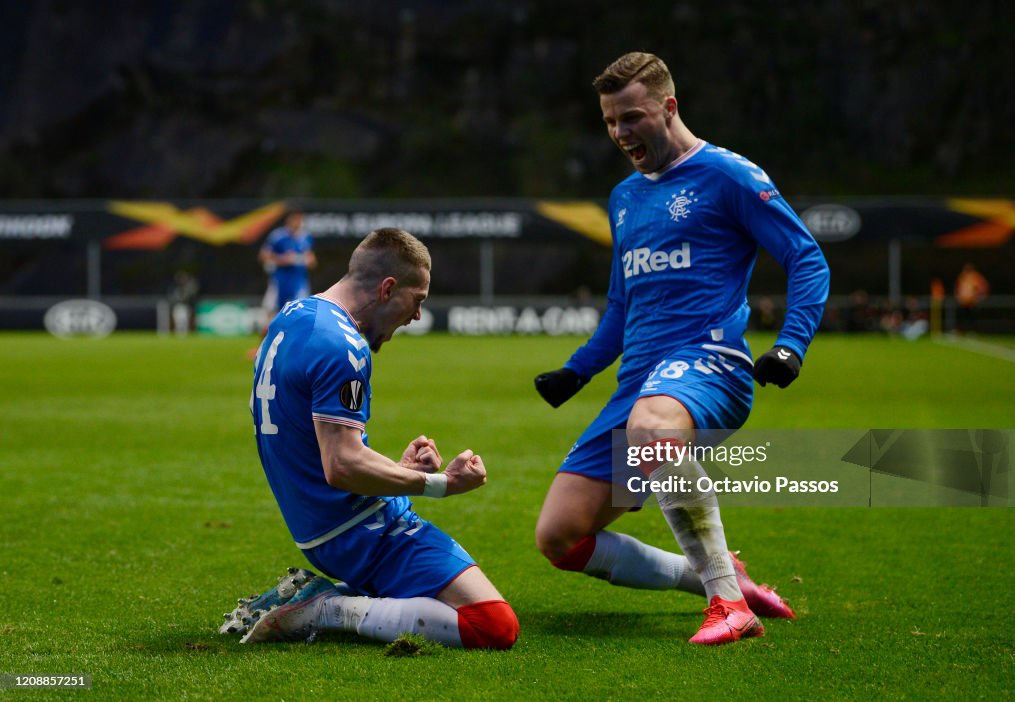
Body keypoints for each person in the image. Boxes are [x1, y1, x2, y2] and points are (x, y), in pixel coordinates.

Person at [533, 52, 830, 645]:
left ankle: (727, 606)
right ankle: (719, 578)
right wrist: (578, 370)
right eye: (610, 122)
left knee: (651, 427)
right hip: (638, 385)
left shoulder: (730, 175)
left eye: (632, 117)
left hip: (710, 364)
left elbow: (806, 257)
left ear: (669, 107)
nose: (620, 133)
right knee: (561, 537)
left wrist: (791, 344)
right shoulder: (622, 198)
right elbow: (622, 305)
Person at [222, 228, 518, 650]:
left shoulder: (292, 318)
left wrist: (396, 471)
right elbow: (341, 466)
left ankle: (329, 598)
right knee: (492, 625)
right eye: (417, 301)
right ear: (387, 288)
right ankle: (324, 607)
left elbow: (313, 442)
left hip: (321, 526)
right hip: (363, 530)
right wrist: (442, 485)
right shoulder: (342, 347)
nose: (416, 316)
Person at [260, 210, 318, 317]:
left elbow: (312, 260)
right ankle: (269, 329)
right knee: (272, 307)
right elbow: (264, 255)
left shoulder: (305, 237)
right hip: (280, 278)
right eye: (295, 219)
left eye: (299, 219)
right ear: (288, 220)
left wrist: (306, 261)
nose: (297, 222)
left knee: (301, 307)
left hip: (298, 279)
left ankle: (298, 331)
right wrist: (283, 260)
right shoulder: (278, 236)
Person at [954, 263, 989, 334]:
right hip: (963, 301)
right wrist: (958, 296)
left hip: (972, 301)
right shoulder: (962, 277)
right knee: (961, 316)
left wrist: (980, 297)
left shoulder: (976, 277)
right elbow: (958, 287)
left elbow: (982, 287)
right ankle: (960, 330)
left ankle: (972, 331)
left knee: (972, 316)